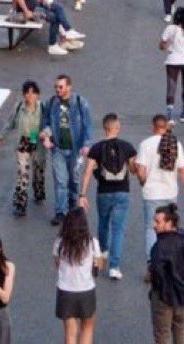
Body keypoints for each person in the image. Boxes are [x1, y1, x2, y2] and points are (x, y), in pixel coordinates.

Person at [78, 112, 137, 281]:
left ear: (105, 129)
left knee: (103, 223)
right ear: (117, 128)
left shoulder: (96, 148)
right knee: (117, 230)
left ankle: (103, 251)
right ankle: (114, 267)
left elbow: (88, 172)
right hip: (122, 192)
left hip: (103, 192)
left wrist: (82, 194)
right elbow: (133, 170)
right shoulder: (127, 147)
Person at [136, 115, 184, 262]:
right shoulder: (175, 144)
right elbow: (183, 170)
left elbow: (140, 170)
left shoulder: (145, 144)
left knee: (151, 228)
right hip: (170, 192)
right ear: (166, 127)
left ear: (153, 127)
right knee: (170, 228)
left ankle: (152, 263)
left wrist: (144, 182)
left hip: (151, 194)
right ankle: (169, 259)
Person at [41, 75, 94, 226]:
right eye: (56, 87)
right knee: (60, 180)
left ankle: (72, 202)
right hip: (57, 148)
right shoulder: (51, 103)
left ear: (69, 87)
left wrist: (86, 144)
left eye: (61, 87)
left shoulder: (80, 102)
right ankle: (60, 211)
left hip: (76, 149)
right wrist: (45, 134)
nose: (58, 90)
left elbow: (88, 125)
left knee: (74, 179)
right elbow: (45, 123)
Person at [148, 203, 184, 344]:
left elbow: (156, 273)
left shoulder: (159, 247)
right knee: (180, 329)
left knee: (162, 335)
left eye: (158, 222)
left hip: (164, 298)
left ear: (169, 223)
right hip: (183, 294)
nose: (154, 225)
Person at [0, 80, 46, 217]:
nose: (30, 95)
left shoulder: (43, 108)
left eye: (33, 92)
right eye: (27, 92)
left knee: (38, 170)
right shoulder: (19, 107)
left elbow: (49, 124)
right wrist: (1, 134)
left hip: (38, 142)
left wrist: (47, 133)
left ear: (37, 94)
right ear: (24, 94)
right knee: (22, 174)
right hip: (23, 142)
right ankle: (20, 204)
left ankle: (38, 191)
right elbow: (10, 122)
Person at [52, 208, 100, 343]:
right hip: (86, 290)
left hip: (65, 290)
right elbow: (99, 264)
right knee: (87, 327)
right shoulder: (92, 242)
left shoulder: (59, 242)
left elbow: (57, 262)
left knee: (70, 331)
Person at [160, 7, 184, 124]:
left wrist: (167, 47)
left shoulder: (170, 28)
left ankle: (169, 115)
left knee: (171, 87)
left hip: (172, 60)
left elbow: (162, 46)